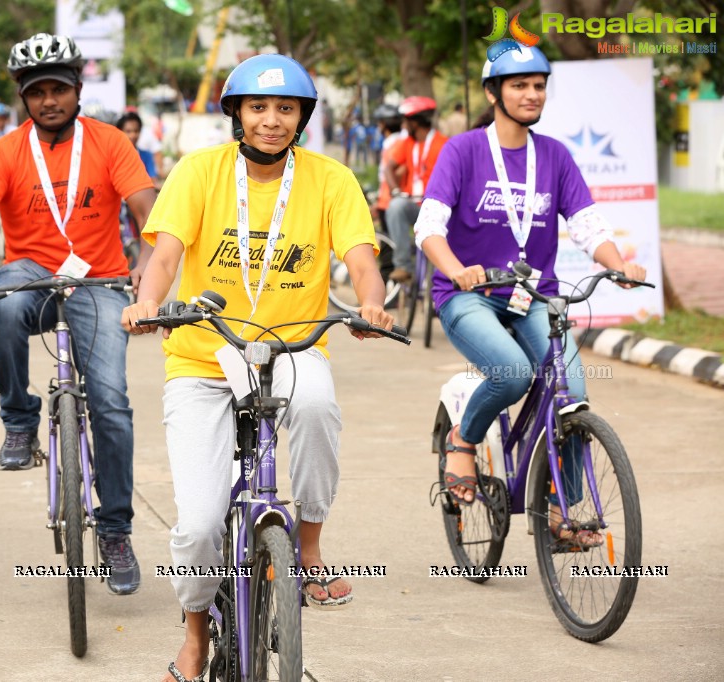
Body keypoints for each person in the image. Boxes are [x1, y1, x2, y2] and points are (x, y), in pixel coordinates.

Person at [120, 53, 394, 682]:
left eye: (286, 109)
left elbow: (359, 256)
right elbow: (165, 256)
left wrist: (371, 303)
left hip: (292, 349)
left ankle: (310, 546)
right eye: (259, 107)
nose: (272, 120)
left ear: (302, 117)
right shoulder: (199, 172)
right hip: (203, 356)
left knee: (321, 408)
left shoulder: (331, 179)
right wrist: (147, 303)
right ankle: (193, 635)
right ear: (237, 114)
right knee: (197, 526)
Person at [0, 33, 157, 596]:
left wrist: (146, 268)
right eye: (36, 91)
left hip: (101, 283)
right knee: (5, 305)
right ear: (22, 96)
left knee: (111, 401)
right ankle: (19, 421)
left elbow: (148, 213)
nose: (48, 101)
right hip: (31, 274)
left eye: (58, 89)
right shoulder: (4, 152)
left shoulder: (111, 143)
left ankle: (115, 529)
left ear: (77, 89)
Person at [415, 46, 646, 526]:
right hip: (470, 295)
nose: (531, 94)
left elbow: (588, 224)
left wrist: (618, 264)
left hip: (533, 297)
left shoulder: (555, 156)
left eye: (538, 85)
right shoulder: (464, 150)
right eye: (519, 85)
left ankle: (563, 510)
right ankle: (465, 438)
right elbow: (428, 227)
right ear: (493, 92)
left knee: (573, 388)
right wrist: (457, 267)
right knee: (512, 372)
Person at [383, 96, 447, 283]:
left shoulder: (443, 144)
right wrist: (395, 190)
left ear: (415, 122)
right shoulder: (407, 144)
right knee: (396, 206)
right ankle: (403, 266)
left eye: (406, 120)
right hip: (413, 204)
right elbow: (389, 168)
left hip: (436, 207)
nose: (403, 125)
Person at [115, 111, 160, 185]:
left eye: (136, 131)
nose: (133, 135)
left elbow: (153, 181)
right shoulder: (113, 156)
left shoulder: (146, 155)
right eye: (128, 131)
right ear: (120, 132)